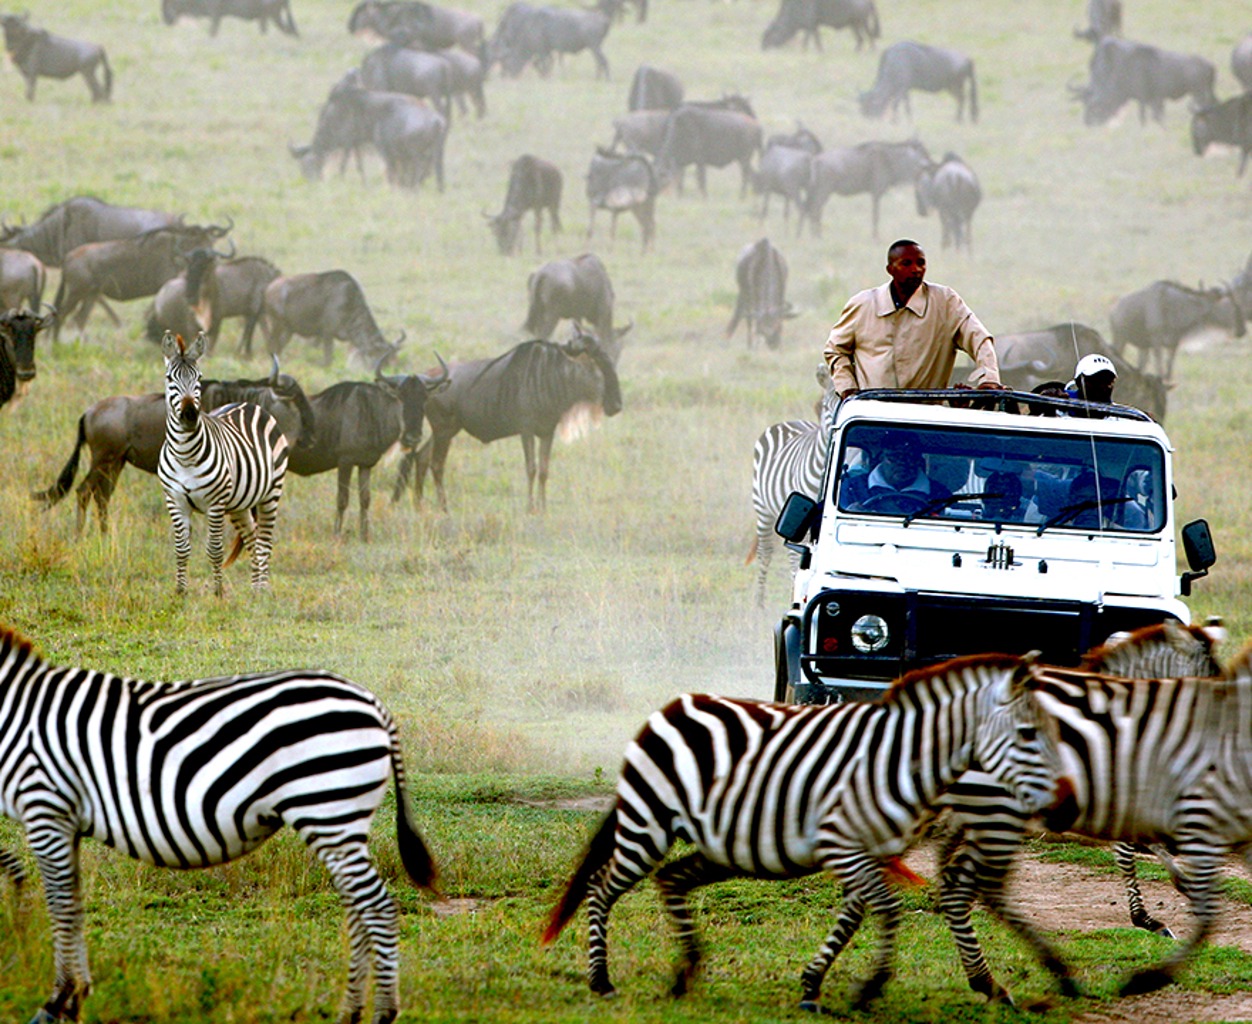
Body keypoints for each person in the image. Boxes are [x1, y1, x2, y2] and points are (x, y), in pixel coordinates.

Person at [824, 239, 1003, 399]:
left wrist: (989, 379)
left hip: (925, 418)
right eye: (906, 264)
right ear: (890, 269)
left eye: (921, 263)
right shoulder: (863, 305)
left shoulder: (945, 302)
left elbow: (979, 339)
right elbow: (835, 349)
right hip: (872, 416)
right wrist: (848, 389)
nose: (916, 269)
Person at [841, 432, 951, 513]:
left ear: (919, 461)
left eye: (910, 457)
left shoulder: (939, 494)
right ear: (882, 458)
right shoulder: (852, 487)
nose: (902, 462)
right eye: (894, 457)